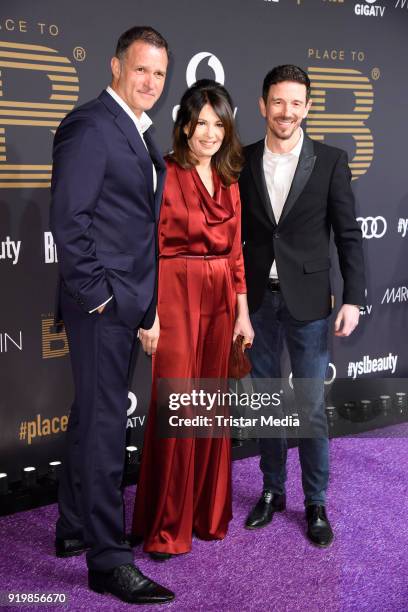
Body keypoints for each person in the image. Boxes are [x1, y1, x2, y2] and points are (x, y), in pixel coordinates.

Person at [50, 26, 174, 604]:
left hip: (124, 302)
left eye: (159, 73)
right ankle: (108, 559)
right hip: (101, 305)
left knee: (91, 417)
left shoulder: (138, 131)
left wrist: (140, 303)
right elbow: (69, 222)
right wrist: (102, 299)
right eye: (141, 69)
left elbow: (133, 223)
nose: (150, 81)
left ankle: (75, 527)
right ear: (116, 67)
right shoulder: (91, 125)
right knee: (104, 428)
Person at [239, 65, 365, 547]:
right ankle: (272, 491)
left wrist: (354, 297)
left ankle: (316, 502)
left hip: (311, 303)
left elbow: (349, 235)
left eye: (295, 103)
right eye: (277, 102)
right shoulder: (243, 160)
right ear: (262, 105)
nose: (285, 112)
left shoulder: (331, 160)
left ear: (307, 107)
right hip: (258, 303)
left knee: (309, 406)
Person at [132, 79, 254, 560]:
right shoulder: (164, 173)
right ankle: (166, 526)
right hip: (175, 294)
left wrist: (243, 313)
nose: (208, 133)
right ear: (183, 126)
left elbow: (238, 255)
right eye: (200, 123)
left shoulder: (230, 182)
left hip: (222, 299)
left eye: (218, 124)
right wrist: (151, 315)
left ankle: (206, 514)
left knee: (210, 404)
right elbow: (148, 250)